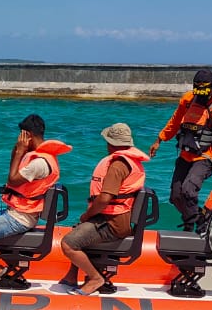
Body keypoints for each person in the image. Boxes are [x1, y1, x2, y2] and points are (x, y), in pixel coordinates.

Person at [0, 114, 71, 289]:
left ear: (27, 135)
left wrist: (21, 151)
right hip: (20, 214)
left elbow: (13, 179)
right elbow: (14, 172)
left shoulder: (39, 163)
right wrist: (17, 151)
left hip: (20, 218)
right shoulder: (41, 156)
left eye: (21, 136)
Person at [148, 68, 212, 232]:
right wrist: (159, 139)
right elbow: (175, 121)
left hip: (205, 157)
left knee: (188, 190)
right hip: (185, 154)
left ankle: (198, 226)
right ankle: (198, 218)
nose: (200, 96)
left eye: (204, 92)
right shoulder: (187, 99)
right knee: (176, 196)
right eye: (198, 91)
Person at [59, 123, 149, 296]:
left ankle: (95, 278)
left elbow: (104, 200)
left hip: (113, 223)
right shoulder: (132, 162)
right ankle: (72, 276)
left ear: (111, 143)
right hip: (117, 218)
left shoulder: (118, 165)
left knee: (68, 244)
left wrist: (87, 215)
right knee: (80, 228)